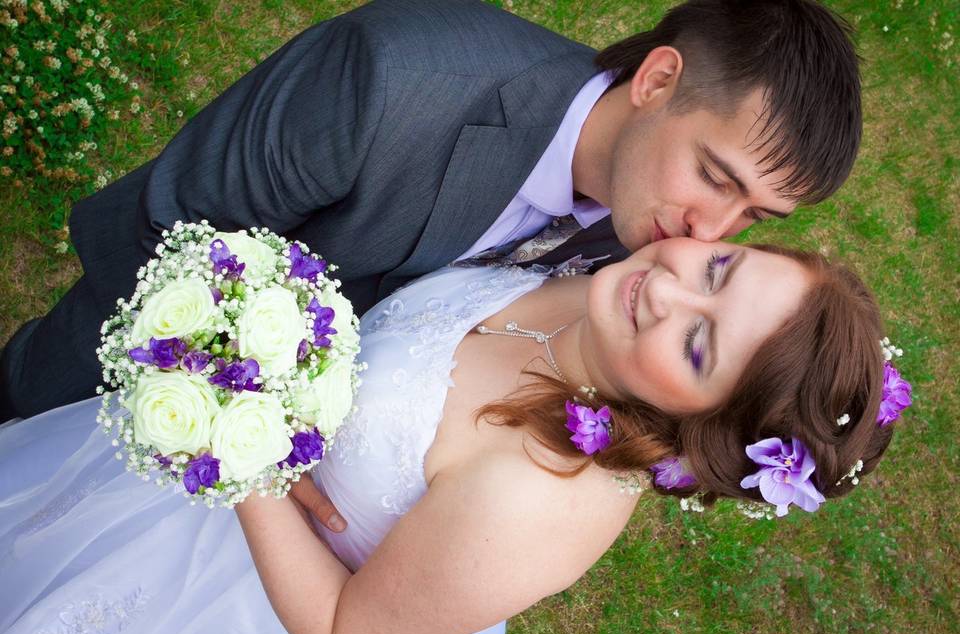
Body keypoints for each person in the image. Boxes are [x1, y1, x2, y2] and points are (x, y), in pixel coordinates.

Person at [0, 0, 862, 424]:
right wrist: (248, 428)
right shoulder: (392, 79)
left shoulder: (658, 268)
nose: (710, 237)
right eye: (716, 176)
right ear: (659, 81)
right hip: (124, 366)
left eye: (755, 216)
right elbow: (168, 225)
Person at [0, 237, 895, 634]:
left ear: (698, 429)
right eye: (719, 268)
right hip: (191, 490)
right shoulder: (592, 274)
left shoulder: (550, 490)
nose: (667, 290)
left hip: (226, 590)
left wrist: (241, 447)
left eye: (698, 345)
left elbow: (347, 630)